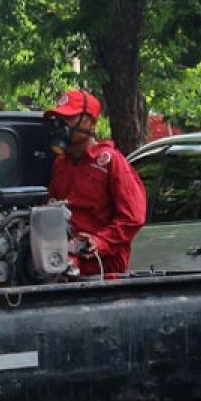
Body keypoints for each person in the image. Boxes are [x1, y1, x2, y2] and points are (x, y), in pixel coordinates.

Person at [44, 89, 147, 276]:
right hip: (65, 262)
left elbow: (134, 217)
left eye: (68, 119)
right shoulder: (61, 164)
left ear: (89, 122)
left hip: (102, 268)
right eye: (58, 119)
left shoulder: (111, 161)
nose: (60, 125)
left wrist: (100, 242)